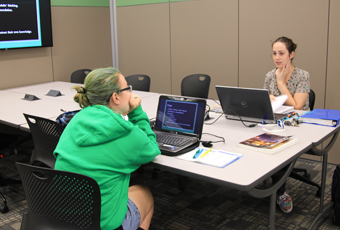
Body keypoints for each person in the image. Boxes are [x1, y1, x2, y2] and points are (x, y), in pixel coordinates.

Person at [53, 67, 161, 230]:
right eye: (127, 89)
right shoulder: (126, 132)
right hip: (103, 225)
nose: (130, 93)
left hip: (63, 219)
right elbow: (152, 148)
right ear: (115, 97)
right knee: (143, 192)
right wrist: (136, 112)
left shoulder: (75, 121)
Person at [264, 36, 310, 213]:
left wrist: (281, 83)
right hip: (275, 122)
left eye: (281, 53)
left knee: (278, 148)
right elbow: (264, 101)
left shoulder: (302, 75)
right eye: (274, 53)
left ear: (291, 54)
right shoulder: (269, 75)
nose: (277, 57)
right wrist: (267, 98)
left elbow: (297, 106)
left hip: (297, 124)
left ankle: (280, 193)